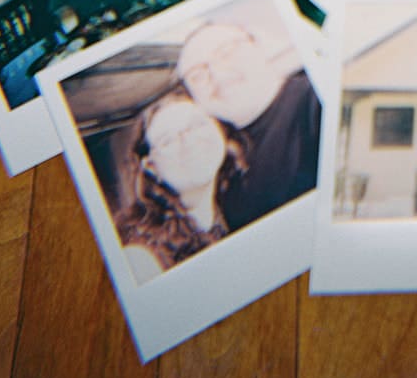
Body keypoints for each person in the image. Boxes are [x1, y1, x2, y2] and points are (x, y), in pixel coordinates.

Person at [176, 19, 321, 231]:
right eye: (197, 75)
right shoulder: (224, 173)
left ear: (259, 47)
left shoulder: (316, 100)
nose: (217, 75)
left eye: (226, 52)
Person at [116, 90, 245, 280]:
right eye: (167, 141)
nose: (187, 141)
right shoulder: (142, 258)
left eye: (196, 125)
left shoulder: (241, 202)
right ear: (152, 167)